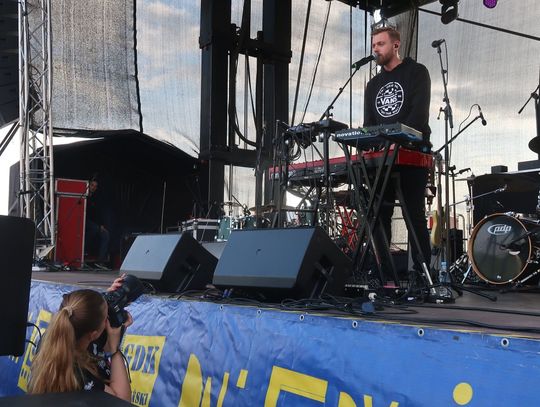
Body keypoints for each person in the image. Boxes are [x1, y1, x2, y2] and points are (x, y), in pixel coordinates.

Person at [363, 26, 432, 282]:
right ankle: (383, 275)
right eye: (373, 45)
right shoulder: (373, 85)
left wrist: (398, 141)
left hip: (411, 155)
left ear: (395, 45)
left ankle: (423, 276)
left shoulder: (417, 72)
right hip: (382, 159)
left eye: (380, 44)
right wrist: (372, 144)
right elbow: (369, 124)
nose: (375, 49)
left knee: (413, 214)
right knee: (379, 215)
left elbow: (418, 115)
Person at [28, 276, 132, 401]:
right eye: (106, 319)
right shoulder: (78, 375)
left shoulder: (53, 338)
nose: (108, 320)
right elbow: (121, 401)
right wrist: (114, 349)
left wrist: (103, 301)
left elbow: (81, 313)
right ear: (93, 335)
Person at [85, 176, 110, 268]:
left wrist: (101, 225)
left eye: (95, 186)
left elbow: (98, 213)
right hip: (84, 221)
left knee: (105, 234)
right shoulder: (84, 196)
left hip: (93, 223)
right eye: (92, 185)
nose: (94, 188)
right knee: (94, 229)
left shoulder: (97, 198)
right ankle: (84, 252)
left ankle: (100, 261)